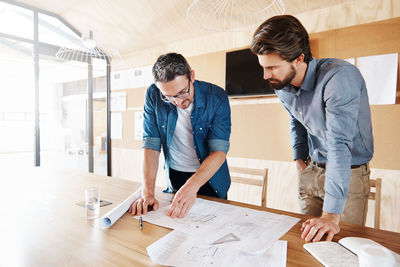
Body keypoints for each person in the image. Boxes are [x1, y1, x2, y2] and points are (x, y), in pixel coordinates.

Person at [250, 15, 373, 242]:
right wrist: (299, 157)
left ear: (299, 58)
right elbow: (296, 120)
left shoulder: (339, 77)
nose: (266, 76)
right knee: (306, 242)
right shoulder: (282, 85)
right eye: (263, 67)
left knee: (341, 246)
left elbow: (339, 145)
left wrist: (330, 215)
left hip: (349, 172)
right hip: (311, 169)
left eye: (272, 68)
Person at [129, 53, 231, 219]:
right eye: (168, 97)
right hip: (176, 177)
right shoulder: (153, 95)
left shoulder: (217, 97)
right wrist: (147, 193)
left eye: (183, 92)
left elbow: (219, 151)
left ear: (192, 75)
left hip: (210, 179)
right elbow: (151, 145)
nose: (177, 102)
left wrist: (191, 186)